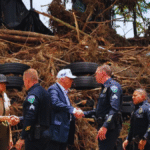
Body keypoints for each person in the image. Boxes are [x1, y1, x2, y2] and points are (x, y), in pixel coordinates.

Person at [84, 64, 123, 150]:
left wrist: (105, 126)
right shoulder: (104, 88)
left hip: (109, 127)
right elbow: (100, 110)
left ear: (103, 73)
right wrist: (83, 114)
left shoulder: (113, 87)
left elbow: (114, 109)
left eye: (96, 73)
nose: (95, 76)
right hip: (103, 125)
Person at [47, 69, 84, 150]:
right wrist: (73, 110)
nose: (72, 81)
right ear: (62, 79)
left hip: (63, 132)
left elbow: (64, 108)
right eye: (70, 79)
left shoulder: (64, 92)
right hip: (56, 133)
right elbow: (55, 103)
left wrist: (74, 112)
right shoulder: (53, 89)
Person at [15, 68, 51, 150]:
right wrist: (20, 119)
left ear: (27, 80)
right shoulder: (45, 93)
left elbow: (30, 117)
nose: (24, 84)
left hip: (35, 137)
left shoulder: (33, 95)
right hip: (47, 134)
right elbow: (40, 114)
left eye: (24, 81)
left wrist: (22, 137)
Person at [0, 74, 20, 150]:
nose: (5, 86)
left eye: (5, 84)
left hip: (4, 133)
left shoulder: (5, 96)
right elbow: (7, 117)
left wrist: (10, 138)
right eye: (2, 83)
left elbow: (8, 115)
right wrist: (7, 118)